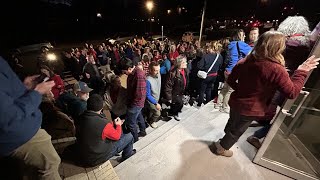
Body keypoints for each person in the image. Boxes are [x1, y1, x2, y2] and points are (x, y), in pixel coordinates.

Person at [210, 31, 320, 157]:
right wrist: (301, 72)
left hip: (236, 102)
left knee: (232, 123)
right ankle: (222, 148)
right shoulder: (277, 69)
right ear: (278, 47)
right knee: (237, 131)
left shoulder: (247, 60)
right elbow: (292, 92)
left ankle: (223, 140)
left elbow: (230, 79)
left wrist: (240, 90)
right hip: (250, 109)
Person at [246, 16, 315, 148]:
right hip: (287, 81)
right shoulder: (300, 45)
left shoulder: (282, 43)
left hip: (274, 81)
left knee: (270, 105)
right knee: (283, 113)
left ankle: (262, 122)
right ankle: (257, 135)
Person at [0, 57, 61, 179]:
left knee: (32, 171)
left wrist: (24, 88)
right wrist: (36, 93)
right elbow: (8, 116)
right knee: (50, 163)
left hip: (22, 127)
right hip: (17, 134)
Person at [76, 94, 135, 167]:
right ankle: (127, 156)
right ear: (101, 108)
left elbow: (100, 131)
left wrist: (113, 125)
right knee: (129, 136)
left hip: (85, 153)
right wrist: (119, 125)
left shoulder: (80, 117)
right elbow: (117, 136)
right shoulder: (103, 123)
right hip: (96, 158)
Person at [216, 29, 252, 113]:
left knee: (225, 88)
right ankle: (225, 107)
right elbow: (252, 52)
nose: (245, 36)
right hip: (234, 70)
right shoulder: (241, 44)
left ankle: (218, 104)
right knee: (230, 90)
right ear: (239, 36)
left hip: (227, 70)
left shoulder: (230, 44)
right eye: (243, 35)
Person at [120, 58, 147, 142]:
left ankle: (135, 139)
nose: (124, 74)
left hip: (136, 103)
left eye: (124, 72)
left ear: (129, 68)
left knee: (131, 123)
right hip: (136, 103)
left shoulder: (138, 75)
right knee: (139, 116)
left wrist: (131, 106)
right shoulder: (133, 73)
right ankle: (142, 131)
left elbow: (140, 94)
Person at [197, 41, 224, 106]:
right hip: (214, 75)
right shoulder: (220, 57)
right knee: (209, 89)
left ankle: (199, 103)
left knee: (202, 89)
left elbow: (200, 66)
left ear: (211, 48)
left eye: (208, 47)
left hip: (206, 75)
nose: (207, 49)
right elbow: (220, 66)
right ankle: (208, 101)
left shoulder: (206, 56)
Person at [164, 55, 189, 121]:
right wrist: (169, 97)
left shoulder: (185, 70)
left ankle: (174, 111)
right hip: (175, 92)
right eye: (185, 62)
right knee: (179, 103)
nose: (186, 63)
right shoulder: (173, 73)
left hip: (181, 91)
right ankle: (175, 113)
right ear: (180, 63)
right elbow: (168, 86)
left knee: (179, 103)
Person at [145, 62, 162, 128]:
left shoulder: (158, 73)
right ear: (150, 70)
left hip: (157, 97)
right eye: (156, 70)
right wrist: (155, 103)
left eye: (159, 70)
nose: (158, 72)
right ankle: (152, 121)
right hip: (151, 100)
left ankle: (149, 118)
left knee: (151, 112)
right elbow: (148, 95)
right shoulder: (148, 80)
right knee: (157, 113)